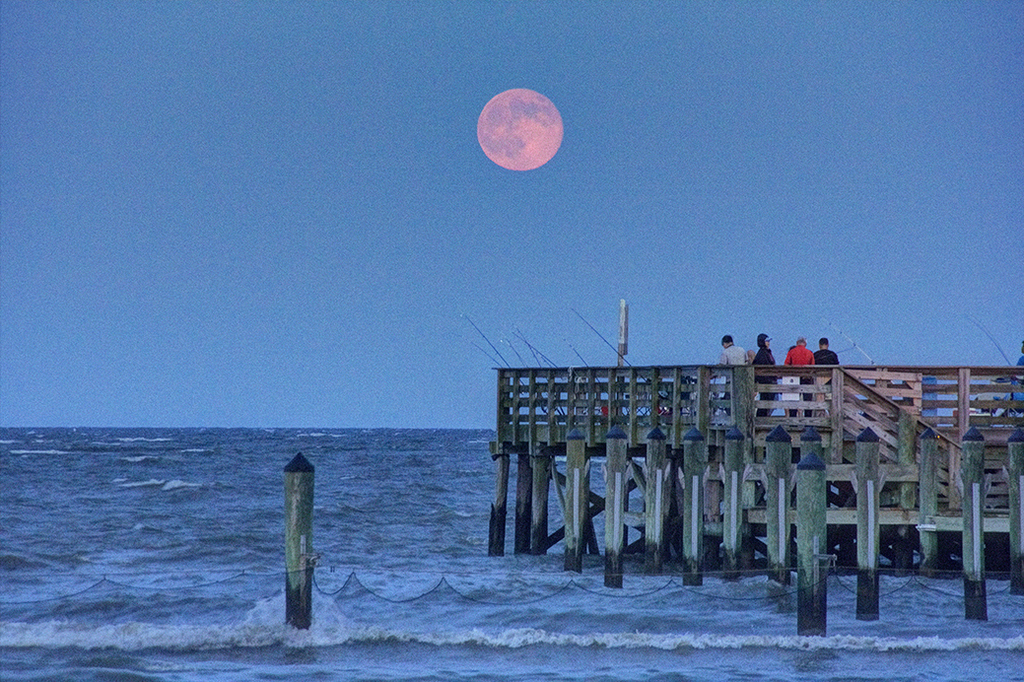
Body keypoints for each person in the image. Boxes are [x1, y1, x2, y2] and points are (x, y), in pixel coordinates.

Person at [784, 337, 815, 417]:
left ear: (797, 343)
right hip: (807, 379)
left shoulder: (791, 352)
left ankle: (793, 420)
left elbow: (786, 365)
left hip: (794, 379)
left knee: (793, 400)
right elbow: (813, 367)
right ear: (805, 343)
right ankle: (808, 422)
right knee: (807, 401)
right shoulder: (809, 353)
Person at [752, 333, 776, 417]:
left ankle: (763, 419)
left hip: (768, 381)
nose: (768, 343)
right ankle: (762, 420)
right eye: (767, 341)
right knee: (765, 403)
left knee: (766, 403)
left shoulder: (765, 352)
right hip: (766, 382)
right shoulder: (763, 354)